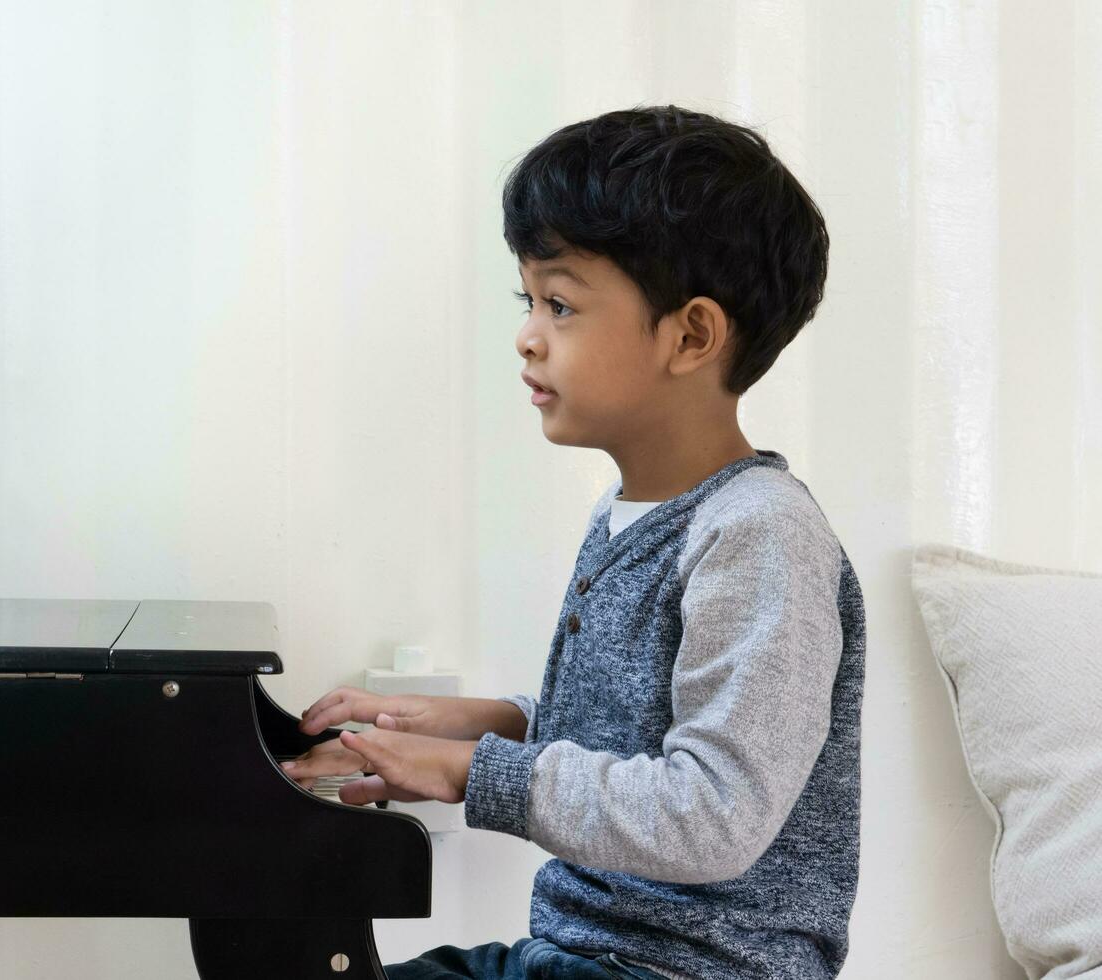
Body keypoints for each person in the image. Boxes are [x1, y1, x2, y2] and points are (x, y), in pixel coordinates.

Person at [279, 104, 866, 980]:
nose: (526, 334)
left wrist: (469, 772)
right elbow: (634, 737)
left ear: (691, 335)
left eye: (559, 304)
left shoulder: (760, 536)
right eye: (529, 301)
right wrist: (467, 723)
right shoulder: (633, 512)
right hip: (587, 955)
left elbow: (714, 810)